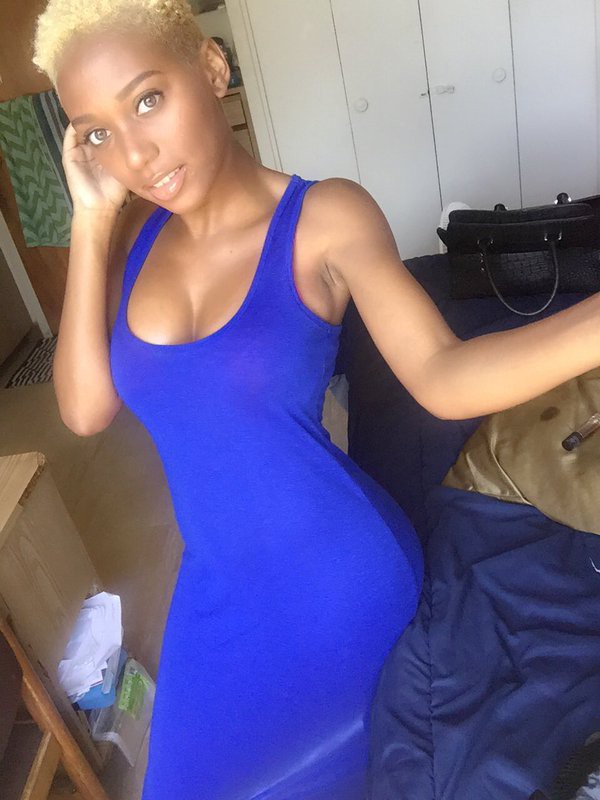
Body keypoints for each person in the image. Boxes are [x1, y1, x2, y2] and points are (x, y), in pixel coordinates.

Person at [31, 1, 600, 798]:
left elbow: (445, 376)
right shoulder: (132, 236)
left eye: (147, 99)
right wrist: (91, 223)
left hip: (337, 584)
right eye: (96, 132)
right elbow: (84, 409)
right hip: (216, 584)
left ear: (212, 69)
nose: (133, 153)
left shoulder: (322, 219)